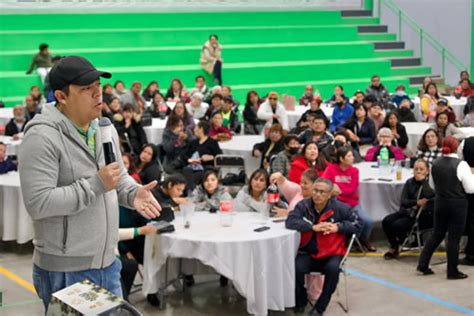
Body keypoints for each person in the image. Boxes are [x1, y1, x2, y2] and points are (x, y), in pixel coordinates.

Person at [18, 56, 161, 311]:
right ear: (61, 96)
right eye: (86, 89)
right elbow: (38, 203)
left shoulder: (102, 129)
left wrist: (133, 193)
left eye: (97, 85)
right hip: (66, 270)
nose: (98, 94)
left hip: (108, 261)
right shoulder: (40, 137)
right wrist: (95, 183)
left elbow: (117, 177)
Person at [286, 178, 360, 315]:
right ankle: (300, 300)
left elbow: (358, 224)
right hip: (308, 251)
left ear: (329, 194)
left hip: (332, 253)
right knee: (295, 268)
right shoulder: (304, 205)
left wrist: (338, 227)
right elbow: (290, 221)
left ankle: (320, 307)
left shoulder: (341, 208)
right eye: (315, 190)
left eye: (322, 192)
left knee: (333, 269)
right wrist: (312, 227)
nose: (317, 194)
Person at [417, 137, 474, 279]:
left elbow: (432, 185)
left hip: (440, 203)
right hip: (458, 205)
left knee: (437, 234)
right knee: (454, 238)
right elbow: (470, 189)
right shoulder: (462, 165)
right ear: (456, 148)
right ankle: (452, 270)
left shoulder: (435, 163)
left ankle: (422, 264)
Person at [323, 146, 376, 252]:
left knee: (368, 221)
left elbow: (352, 189)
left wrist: (338, 190)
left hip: (352, 204)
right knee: (354, 222)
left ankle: (362, 240)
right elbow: (326, 184)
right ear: (341, 159)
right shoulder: (331, 169)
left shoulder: (354, 171)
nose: (353, 158)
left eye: (352, 155)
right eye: (349, 156)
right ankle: (350, 242)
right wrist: (335, 191)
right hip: (337, 204)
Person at [382, 159, 434, 259]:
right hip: (408, 211)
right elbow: (404, 201)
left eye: (421, 169)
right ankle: (394, 245)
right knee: (386, 221)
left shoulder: (430, 183)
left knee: (397, 225)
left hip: (422, 215)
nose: (418, 171)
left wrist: (423, 182)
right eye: (416, 169)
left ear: (427, 171)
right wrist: (416, 202)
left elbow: (430, 196)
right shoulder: (409, 182)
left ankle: (402, 241)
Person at [182, 121, 222, 191]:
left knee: (197, 176)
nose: (194, 130)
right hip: (192, 166)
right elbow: (184, 155)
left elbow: (219, 156)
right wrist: (190, 160)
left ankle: (191, 192)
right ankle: (190, 191)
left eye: (196, 128)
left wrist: (211, 157)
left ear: (201, 129)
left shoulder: (212, 142)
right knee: (186, 170)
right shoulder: (193, 142)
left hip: (205, 167)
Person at [459, 137, 474, 266]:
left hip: (469, 182)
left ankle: (471, 254)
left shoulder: (466, 142)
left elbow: (460, 161)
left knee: (471, 220)